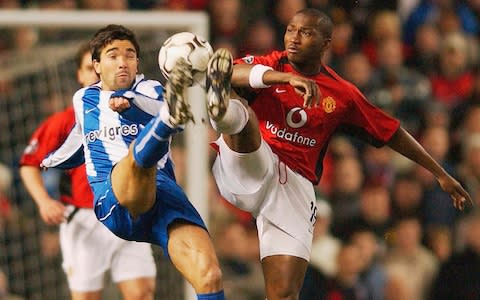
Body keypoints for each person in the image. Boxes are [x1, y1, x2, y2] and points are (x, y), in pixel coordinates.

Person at [201, 8, 471, 299]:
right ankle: (222, 112)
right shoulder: (272, 63)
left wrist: (440, 173)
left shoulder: (343, 95)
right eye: (291, 29)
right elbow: (232, 71)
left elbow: (393, 133)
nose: (294, 37)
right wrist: (283, 79)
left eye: (305, 32)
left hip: (293, 187)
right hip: (248, 165)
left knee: (284, 294)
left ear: (326, 43)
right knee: (243, 115)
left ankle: (224, 111)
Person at [41, 25, 225, 300]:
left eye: (129, 55)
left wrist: (131, 100)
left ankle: (174, 118)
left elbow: (154, 104)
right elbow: (81, 141)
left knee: (209, 275)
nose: (122, 62)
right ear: (97, 65)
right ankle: (173, 120)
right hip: (113, 196)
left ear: (138, 62)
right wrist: (53, 160)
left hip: (163, 194)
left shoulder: (150, 89)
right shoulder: (84, 99)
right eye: (113, 55)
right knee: (137, 163)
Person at [19, 43, 157, 300]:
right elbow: (29, 164)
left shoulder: (133, 110)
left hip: (128, 211)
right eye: (89, 68)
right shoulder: (65, 120)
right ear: (81, 75)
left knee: (141, 294)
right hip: (84, 219)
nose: (95, 75)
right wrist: (43, 202)